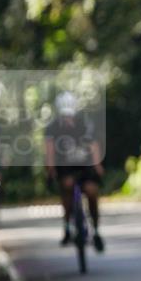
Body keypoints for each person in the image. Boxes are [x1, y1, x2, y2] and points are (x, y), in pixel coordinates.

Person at [44, 91, 105, 252]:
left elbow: (93, 146)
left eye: (70, 116)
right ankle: (67, 228)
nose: (68, 120)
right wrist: (50, 170)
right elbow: (49, 151)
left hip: (84, 166)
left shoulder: (84, 124)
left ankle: (96, 231)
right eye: (65, 117)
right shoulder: (52, 127)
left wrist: (97, 166)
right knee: (67, 190)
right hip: (65, 167)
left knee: (92, 192)